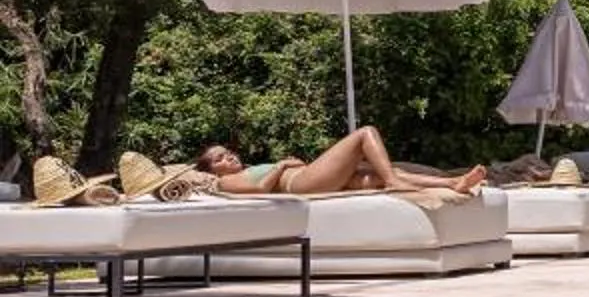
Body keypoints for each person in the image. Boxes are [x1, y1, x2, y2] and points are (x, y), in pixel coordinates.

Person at [196, 127, 484, 197]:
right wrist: (282, 166)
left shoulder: (241, 169)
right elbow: (260, 191)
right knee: (365, 134)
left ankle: (453, 182)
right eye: (220, 158)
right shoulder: (223, 182)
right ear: (212, 169)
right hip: (299, 183)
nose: (229, 156)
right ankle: (396, 181)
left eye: (228, 152)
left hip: (306, 177)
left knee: (382, 174)